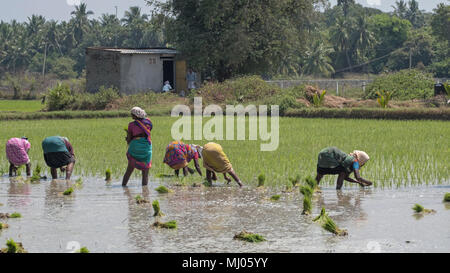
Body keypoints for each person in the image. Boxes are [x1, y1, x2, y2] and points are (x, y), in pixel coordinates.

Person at [122, 107, 153, 187]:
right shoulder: (148, 123)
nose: (131, 115)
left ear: (135, 115)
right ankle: (145, 192)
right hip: (146, 147)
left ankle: (123, 186)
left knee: (129, 170)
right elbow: (147, 134)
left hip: (135, 147)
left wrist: (127, 138)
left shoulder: (131, 124)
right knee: (145, 172)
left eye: (132, 114)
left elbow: (129, 140)